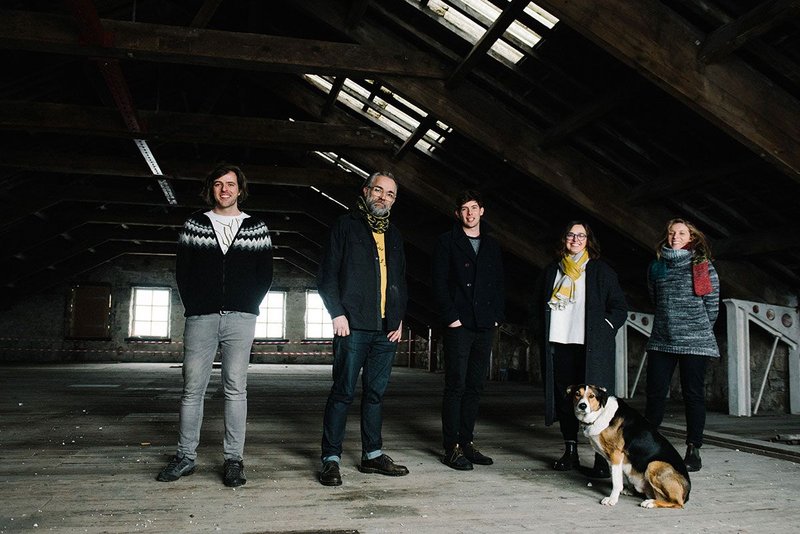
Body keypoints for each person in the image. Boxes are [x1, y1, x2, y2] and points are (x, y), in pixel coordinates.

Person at [156, 164, 273, 487]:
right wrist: (195, 306)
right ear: (212, 189)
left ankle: (234, 460)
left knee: (236, 389)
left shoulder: (256, 227)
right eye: (219, 184)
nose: (225, 190)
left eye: (231, 184)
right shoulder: (195, 224)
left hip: (241, 318)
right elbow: (184, 270)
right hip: (201, 318)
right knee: (192, 389)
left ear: (240, 189)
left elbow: (265, 274)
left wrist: (249, 305)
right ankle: (185, 457)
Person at [316, 171, 409, 487]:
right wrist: (336, 313)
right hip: (352, 326)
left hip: (386, 330)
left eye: (391, 194)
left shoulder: (394, 234)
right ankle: (331, 459)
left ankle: (372, 455)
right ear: (366, 191)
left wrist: (398, 318)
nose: (384, 197)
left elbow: (400, 279)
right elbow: (327, 274)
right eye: (379, 191)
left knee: (375, 394)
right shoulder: (346, 226)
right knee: (342, 392)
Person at [531, 221, 627, 477]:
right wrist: (541, 330)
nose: (575, 239)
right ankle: (570, 451)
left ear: (588, 240)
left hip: (591, 347)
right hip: (559, 344)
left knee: (597, 404)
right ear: (564, 239)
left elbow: (619, 308)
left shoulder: (600, 271)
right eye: (571, 234)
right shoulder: (552, 271)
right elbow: (535, 306)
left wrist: (605, 327)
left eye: (580, 235)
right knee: (566, 400)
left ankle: (600, 457)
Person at [432, 190, 505, 470]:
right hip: (459, 325)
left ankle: (467, 443)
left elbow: (499, 283)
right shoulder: (447, 242)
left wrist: (497, 316)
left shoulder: (492, 244)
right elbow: (438, 282)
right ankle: (451, 447)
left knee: (475, 386)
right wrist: (452, 318)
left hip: (484, 324)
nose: (470, 213)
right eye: (464, 209)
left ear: (482, 211)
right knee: (456, 385)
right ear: (457, 214)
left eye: (474, 208)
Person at [644, 218, 719, 472]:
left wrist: (697, 329)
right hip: (662, 339)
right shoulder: (657, 267)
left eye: (681, 233)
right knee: (655, 393)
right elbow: (656, 299)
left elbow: (712, 304)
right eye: (671, 232)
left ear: (692, 238)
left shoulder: (701, 265)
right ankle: (648, 443)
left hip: (695, 341)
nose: (675, 236)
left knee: (693, 394)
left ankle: (693, 448)